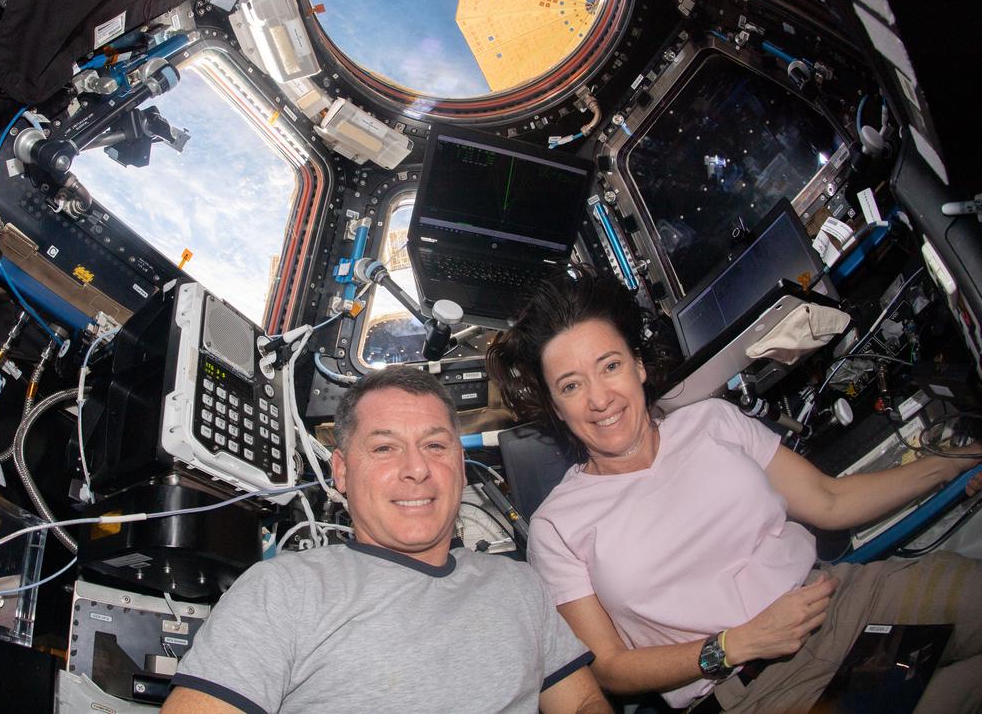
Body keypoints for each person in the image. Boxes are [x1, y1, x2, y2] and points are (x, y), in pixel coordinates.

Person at [486, 266, 982, 712]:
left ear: (637, 366)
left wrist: (952, 464)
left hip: (838, 601)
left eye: (609, 366)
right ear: (556, 407)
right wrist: (732, 644)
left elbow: (830, 501)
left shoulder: (712, 421)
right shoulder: (557, 527)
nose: (598, 398)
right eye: (571, 386)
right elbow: (610, 668)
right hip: (755, 688)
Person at [162, 365, 610, 714]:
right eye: (384, 448)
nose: (417, 468)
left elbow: (584, 702)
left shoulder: (520, 585)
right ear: (341, 471)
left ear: (460, 461)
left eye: (435, 446)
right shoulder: (279, 592)